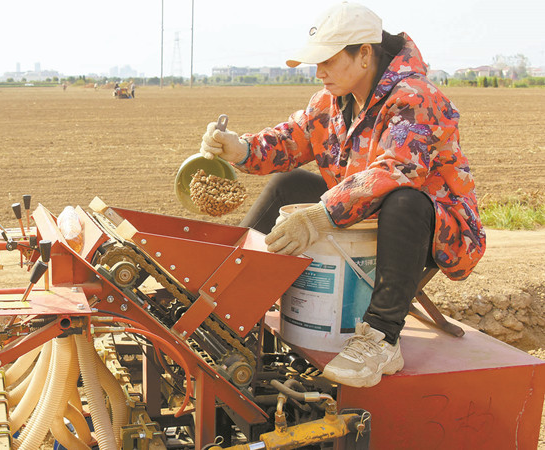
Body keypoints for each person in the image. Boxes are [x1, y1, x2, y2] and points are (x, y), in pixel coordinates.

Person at [200, 2, 485, 388]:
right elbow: (290, 139)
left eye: (328, 61)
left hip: (433, 225)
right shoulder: (331, 101)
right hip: (362, 207)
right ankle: (222, 298)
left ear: (364, 54)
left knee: (404, 198)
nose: (319, 73)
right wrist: (240, 149)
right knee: (289, 185)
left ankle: (382, 339)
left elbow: (395, 171)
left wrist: (319, 215)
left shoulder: (416, 98)